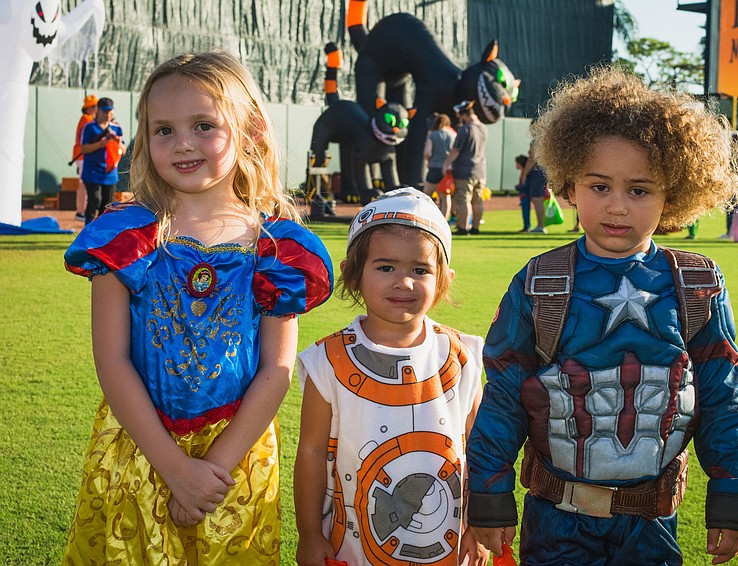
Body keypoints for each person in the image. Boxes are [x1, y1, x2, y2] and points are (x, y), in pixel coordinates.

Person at [465, 67, 738, 565]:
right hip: (555, 519)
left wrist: (735, 492)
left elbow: (722, 395)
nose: (617, 207)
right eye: (599, 186)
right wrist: (489, 494)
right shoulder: (540, 282)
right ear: (569, 185)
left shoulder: (697, 284)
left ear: (673, 195)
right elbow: (504, 396)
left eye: (639, 190)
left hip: (651, 523)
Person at [62, 51, 334, 564]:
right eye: (163, 130)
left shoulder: (278, 251)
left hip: (236, 460)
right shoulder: (125, 237)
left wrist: (212, 470)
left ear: (249, 129)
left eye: (203, 125)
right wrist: (175, 468)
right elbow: (111, 360)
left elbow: (276, 370)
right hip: (139, 449)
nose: (182, 142)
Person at [294, 188, 488, 566]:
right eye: (386, 268)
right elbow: (311, 453)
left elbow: (480, 449)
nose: (404, 282)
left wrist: (479, 525)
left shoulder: (462, 358)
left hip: (447, 544)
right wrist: (309, 534)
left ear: (443, 279)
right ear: (353, 274)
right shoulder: (327, 361)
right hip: (354, 547)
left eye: (420, 270)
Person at [442, 100, 487, 235]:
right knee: (477, 201)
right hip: (480, 170)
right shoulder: (483, 128)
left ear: (464, 114)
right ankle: (475, 228)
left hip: (464, 171)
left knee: (463, 200)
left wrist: (446, 164)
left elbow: (456, 150)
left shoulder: (465, 129)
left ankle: (463, 227)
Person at [79, 97, 125, 224]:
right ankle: (88, 229)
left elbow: (123, 149)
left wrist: (117, 143)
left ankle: (102, 230)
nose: (108, 114)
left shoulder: (116, 128)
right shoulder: (90, 127)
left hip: (110, 173)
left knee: (107, 205)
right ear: (98, 110)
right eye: (105, 111)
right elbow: (83, 148)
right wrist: (100, 144)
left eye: (110, 111)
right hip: (92, 172)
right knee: (94, 201)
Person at [423, 112, 456, 219]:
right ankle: (444, 220)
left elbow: (427, 153)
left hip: (434, 167)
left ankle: (425, 217)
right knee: (445, 196)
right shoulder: (453, 135)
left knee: (426, 196)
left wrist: (429, 160)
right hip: (447, 170)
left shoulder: (433, 135)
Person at [72, 94, 98, 221]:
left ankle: (81, 211)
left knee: (84, 183)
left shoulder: (86, 118)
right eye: (94, 106)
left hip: (82, 155)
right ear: (89, 108)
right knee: (84, 184)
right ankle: (81, 212)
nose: (97, 109)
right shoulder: (87, 119)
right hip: (83, 156)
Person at [518, 143, 549, 234]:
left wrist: (524, 174)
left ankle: (540, 226)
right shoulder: (543, 139)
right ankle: (540, 226)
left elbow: (532, 157)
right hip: (542, 172)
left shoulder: (538, 140)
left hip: (537, 174)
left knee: (537, 199)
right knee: (539, 199)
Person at [515, 154, 531, 231]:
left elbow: (526, 185)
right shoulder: (523, 172)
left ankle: (526, 227)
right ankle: (526, 226)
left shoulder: (525, 173)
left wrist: (518, 187)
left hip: (525, 195)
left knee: (526, 211)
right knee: (525, 211)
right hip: (523, 195)